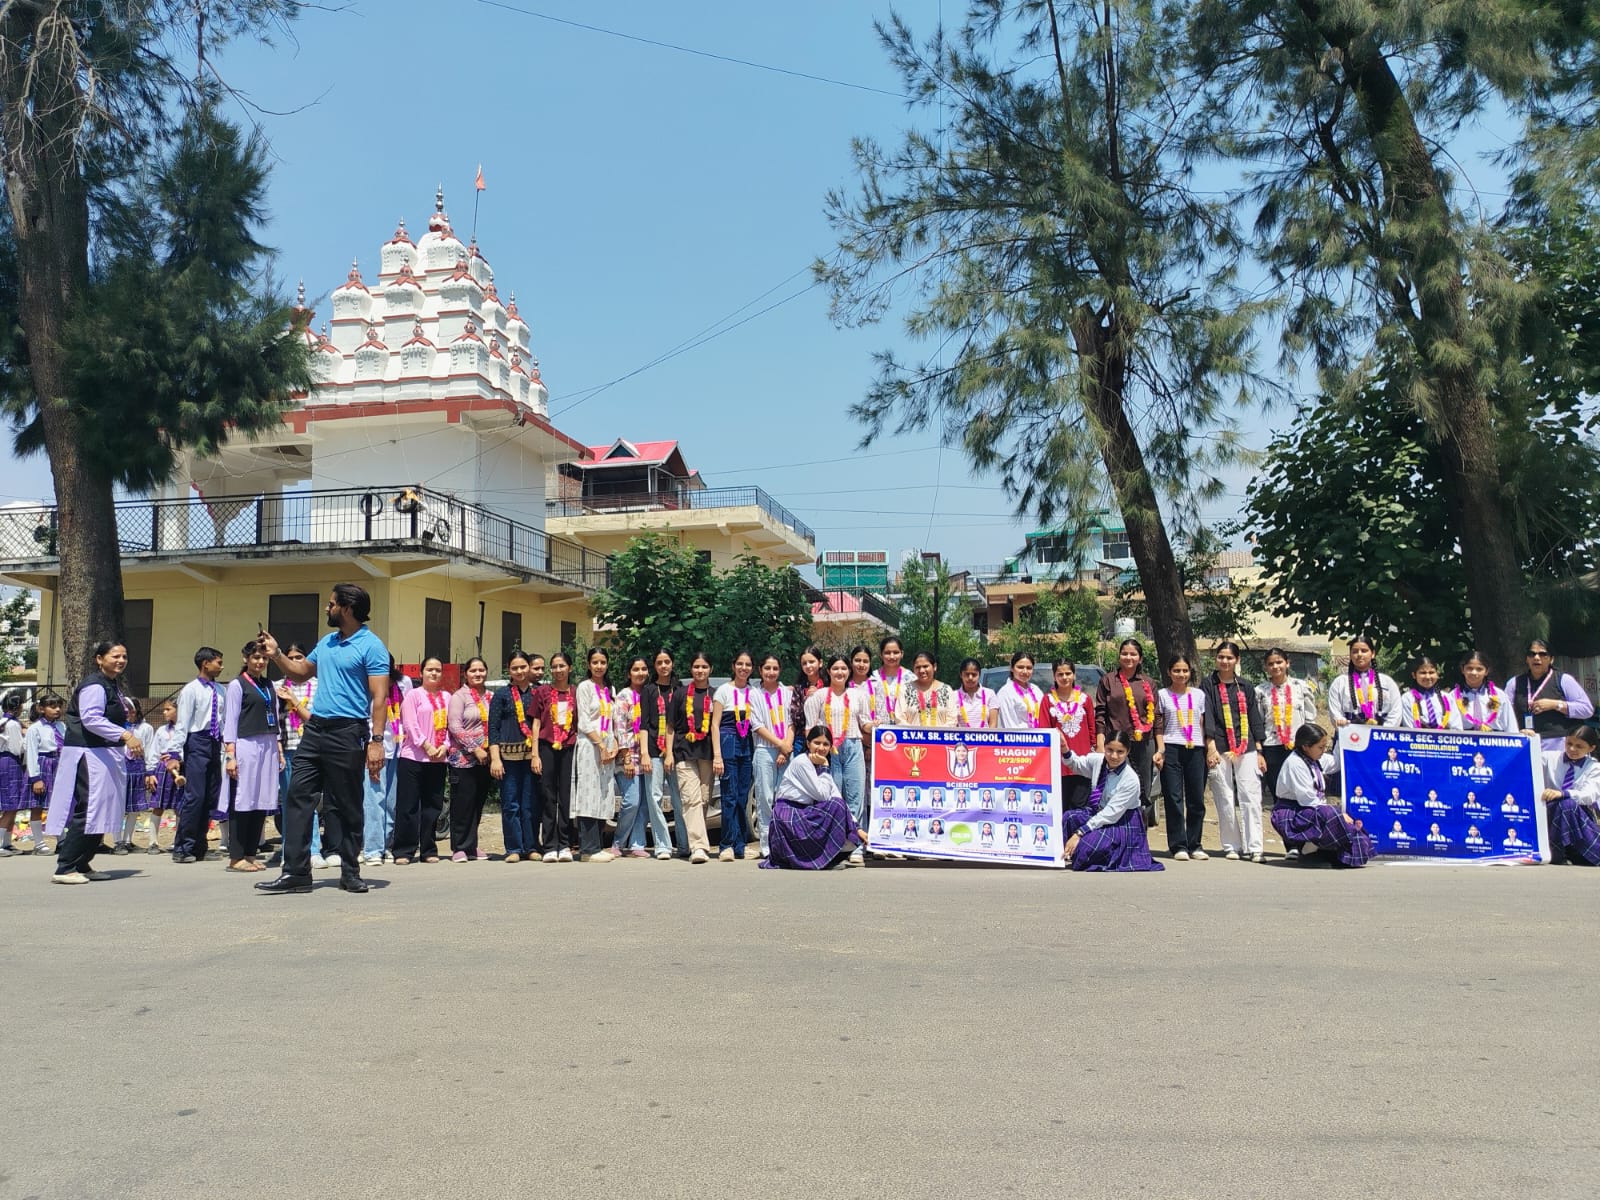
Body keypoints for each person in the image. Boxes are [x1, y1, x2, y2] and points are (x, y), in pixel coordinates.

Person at [256, 583, 392, 895]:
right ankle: (296, 872)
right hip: (315, 730)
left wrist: (375, 741)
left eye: (331, 604)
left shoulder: (371, 646)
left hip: (348, 732)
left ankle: (350, 871)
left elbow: (380, 697)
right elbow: (301, 672)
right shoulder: (327, 642)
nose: (326, 608)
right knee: (297, 797)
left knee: (345, 805)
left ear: (346, 608)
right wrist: (276, 653)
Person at [47, 641, 141, 884]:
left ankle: (82, 862)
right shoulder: (94, 685)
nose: (121, 660)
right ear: (99, 659)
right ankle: (65, 867)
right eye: (115, 656)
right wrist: (125, 735)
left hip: (104, 753)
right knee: (88, 808)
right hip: (88, 753)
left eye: (124, 656)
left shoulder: (110, 685)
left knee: (102, 808)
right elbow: (91, 719)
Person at [759, 725, 865, 870]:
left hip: (804, 813)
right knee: (834, 806)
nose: (821, 748)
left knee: (837, 804)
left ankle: (826, 857)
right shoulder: (802, 762)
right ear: (808, 744)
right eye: (817, 743)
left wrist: (857, 829)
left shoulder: (819, 765)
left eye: (826, 744)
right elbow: (821, 795)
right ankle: (817, 858)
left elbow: (835, 795)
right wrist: (825, 767)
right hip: (788, 816)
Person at [1271, 722, 1375, 868]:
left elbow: (1336, 762)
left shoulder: (1315, 759)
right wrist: (1339, 814)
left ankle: (1330, 852)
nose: (1323, 751)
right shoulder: (1295, 763)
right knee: (1332, 814)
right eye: (1320, 747)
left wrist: (1341, 735)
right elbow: (1308, 799)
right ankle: (1308, 849)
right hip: (1293, 811)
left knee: (1339, 815)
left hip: (1311, 808)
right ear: (1306, 746)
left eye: (1324, 747)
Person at [1059, 729, 1163, 872]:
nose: (1114, 756)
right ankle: (1061, 854)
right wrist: (1065, 749)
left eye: (1120, 752)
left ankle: (1082, 849)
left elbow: (1110, 814)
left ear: (1127, 752)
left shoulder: (1130, 780)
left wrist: (1079, 833)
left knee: (1086, 849)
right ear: (1105, 747)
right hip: (1097, 814)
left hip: (1121, 821)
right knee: (1069, 817)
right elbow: (1076, 764)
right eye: (1110, 750)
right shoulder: (1098, 761)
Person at [804, 654, 870, 866]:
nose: (840, 672)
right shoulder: (819, 696)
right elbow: (810, 728)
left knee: (855, 795)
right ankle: (834, 844)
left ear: (849, 671)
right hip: (828, 750)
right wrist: (814, 753)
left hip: (852, 745)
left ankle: (856, 846)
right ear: (829, 672)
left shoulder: (858, 695)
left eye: (843, 668)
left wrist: (876, 726)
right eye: (835, 669)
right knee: (832, 797)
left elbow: (865, 723)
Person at [221, 640, 280, 872]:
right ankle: (236, 857)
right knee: (243, 799)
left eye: (264, 658)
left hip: (268, 743)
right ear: (246, 659)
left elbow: (274, 714)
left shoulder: (268, 684)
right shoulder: (237, 685)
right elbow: (231, 720)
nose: (260, 662)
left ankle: (250, 852)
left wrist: (279, 748)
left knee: (261, 799)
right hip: (246, 744)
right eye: (256, 657)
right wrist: (230, 755)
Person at [1205, 641, 1266, 862]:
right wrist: (1210, 746)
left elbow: (1254, 718)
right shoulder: (1208, 685)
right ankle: (1231, 845)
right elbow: (1208, 716)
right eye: (1221, 657)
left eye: (1229, 657)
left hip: (1246, 745)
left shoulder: (1246, 686)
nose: (1225, 661)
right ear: (1216, 659)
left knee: (1250, 795)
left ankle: (1255, 846)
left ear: (1236, 660)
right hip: (1219, 746)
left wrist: (1259, 749)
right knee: (1225, 796)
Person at [172, 646, 227, 864]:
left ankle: (200, 846)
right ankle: (183, 847)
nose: (221, 666)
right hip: (197, 741)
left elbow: (223, 720)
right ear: (206, 663)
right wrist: (175, 751)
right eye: (218, 662)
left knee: (209, 796)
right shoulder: (191, 690)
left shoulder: (220, 690)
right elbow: (183, 722)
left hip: (215, 743)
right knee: (195, 796)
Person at [1095, 638, 1158, 827]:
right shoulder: (1108, 680)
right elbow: (1100, 713)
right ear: (1119, 656)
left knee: (1143, 790)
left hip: (1143, 743)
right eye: (1124, 653)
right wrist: (1100, 745)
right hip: (1116, 744)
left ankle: (1139, 837)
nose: (1128, 657)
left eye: (1133, 654)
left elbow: (1157, 716)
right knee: (1115, 788)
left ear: (1140, 658)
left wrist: (1159, 749)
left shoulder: (1148, 682)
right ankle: (1116, 834)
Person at [393, 657, 450, 865]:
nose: (434, 673)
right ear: (421, 673)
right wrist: (426, 746)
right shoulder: (413, 695)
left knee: (432, 806)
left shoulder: (447, 697)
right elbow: (410, 724)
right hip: (413, 757)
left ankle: (428, 848)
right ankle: (403, 850)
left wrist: (445, 746)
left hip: (438, 759)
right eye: (429, 670)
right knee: (408, 806)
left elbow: (450, 725)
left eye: (437, 670)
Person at [1155, 654, 1209, 860]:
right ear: (1169, 672)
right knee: (1174, 797)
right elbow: (1158, 725)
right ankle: (1178, 845)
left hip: (1195, 748)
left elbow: (1203, 723)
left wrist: (1207, 748)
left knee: (1196, 798)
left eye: (1184, 670)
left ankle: (1195, 844)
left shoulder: (1198, 695)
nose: (1181, 674)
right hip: (1172, 748)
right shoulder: (1162, 695)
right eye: (1176, 670)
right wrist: (1160, 750)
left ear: (1190, 672)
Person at [487, 650, 539, 863]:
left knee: (530, 804)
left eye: (523, 667)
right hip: (507, 757)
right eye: (514, 668)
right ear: (508, 670)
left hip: (532, 756)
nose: (519, 671)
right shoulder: (502, 695)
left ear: (529, 667)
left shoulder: (539, 693)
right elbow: (493, 727)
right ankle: (513, 848)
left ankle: (531, 847)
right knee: (511, 804)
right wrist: (495, 758)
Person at [272, 645, 320, 868]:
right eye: (290, 658)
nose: (294, 660)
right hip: (288, 748)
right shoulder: (277, 687)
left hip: (313, 748)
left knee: (308, 800)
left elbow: (315, 719)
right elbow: (273, 721)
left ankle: (314, 849)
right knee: (290, 802)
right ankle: (288, 851)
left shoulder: (318, 685)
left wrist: (293, 699)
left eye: (299, 657)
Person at [1505, 639, 1595, 752]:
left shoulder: (1563, 680)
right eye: (1532, 654)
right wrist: (1516, 732)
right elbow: (1504, 713)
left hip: (1557, 745)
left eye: (1542, 654)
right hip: (1525, 743)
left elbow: (1587, 710)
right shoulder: (1514, 683)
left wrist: (1556, 705)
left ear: (1551, 659)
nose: (1537, 658)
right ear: (1527, 659)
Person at [572, 647, 619, 863]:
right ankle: (587, 849)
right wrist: (600, 745)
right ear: (588, 665)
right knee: (588, 794)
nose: (599, 666)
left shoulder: (610, 688)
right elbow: (584, 721)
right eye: (595, 662)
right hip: (590, 744)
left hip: (607, 744)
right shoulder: (584, 687)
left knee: (603, 793)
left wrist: (615, 745)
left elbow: (614, 719)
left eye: (602, 662)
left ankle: (599, 845)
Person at [445, 657, 494, 863]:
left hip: (486, 758)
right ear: (466, 674)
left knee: (477, 802)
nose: (477, 674)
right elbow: (455, 727)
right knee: (462, 803)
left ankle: (472, 845)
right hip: (463, 758)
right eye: (473, 671)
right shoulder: (460, 696)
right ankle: (459, 847)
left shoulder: (491, 696)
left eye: (481, 670)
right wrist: (474, 749)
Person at [361, 658, 409, 866]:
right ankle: (372, 849)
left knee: (391, 801)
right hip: (373, 749)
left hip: (397, 748)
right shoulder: (365, 685)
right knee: (373, 800)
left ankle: (386, 844)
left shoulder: (403, 683)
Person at [1256, 647, 1318, 804]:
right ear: (1265, 667)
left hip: (1299, 746)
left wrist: (1310, 744)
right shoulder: (1260, 691)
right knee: (1278, 790)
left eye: (1279, 662)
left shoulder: (1301, 687)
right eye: (1271, 664)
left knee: (1301, 788)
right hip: (1272, 746)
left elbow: (1310, 718)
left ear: (1287, 663)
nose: (1275, 667)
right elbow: (1258, 721)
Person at [711, 650, 757, 861]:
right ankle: (726, 845)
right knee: (728, 797)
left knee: (742, 797)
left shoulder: (753, 692)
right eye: (740, 664)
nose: (743, 668)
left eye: (747, 665)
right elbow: (715, 724)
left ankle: (740, 845)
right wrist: (717, 755)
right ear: (733, 666)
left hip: (746, 745)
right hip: (728, 742)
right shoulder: (723, 691)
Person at [639, 649, 685, 860]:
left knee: (679, 799)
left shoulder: (680, 689)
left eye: (667, 662)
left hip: (676, 753)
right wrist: (645, 754)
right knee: (654, 798)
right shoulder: (648, 690)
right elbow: (644, 724)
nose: (664, 666)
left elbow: (680, 724)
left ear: (672, 664)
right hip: (654, 752)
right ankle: (663, 845)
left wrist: (672, 753)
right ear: (654, 666)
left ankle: (684, 845)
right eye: (660, 662)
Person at [532, 652, 577, 863]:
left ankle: (565, 844)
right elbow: (536, 724)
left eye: (562, 666)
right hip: (547, 748)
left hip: (568, 748)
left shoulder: (576, 693)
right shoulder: (542, 692)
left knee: (566, 797)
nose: (558, 670)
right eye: (554, 666)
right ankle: (549, 845)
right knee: (548, 796)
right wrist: (534, 754)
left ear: (569, 668)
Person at [673, 651, 717, 864]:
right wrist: (668, 755)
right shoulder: (680, 694)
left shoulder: (715, 694)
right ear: (691, 669)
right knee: (691, 799)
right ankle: (698, 847)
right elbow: (671, 726)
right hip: (684, 752)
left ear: (711, 670)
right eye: (696, 666)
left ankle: (699, 840)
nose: (700, 671)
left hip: (707, 754)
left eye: (704, 667)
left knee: (704, 798)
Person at [751, 653, 794, 860]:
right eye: (767, 668)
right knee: (765, 798)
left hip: (786, 750)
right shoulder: (754, 694)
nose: (771, 672)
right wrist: (780, 746)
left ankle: (784, 842)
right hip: (764, 750)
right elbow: (756, 725)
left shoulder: (787, 692)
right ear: (760, 670)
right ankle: (767, 845)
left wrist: (786, 747)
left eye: (775, 668)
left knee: (784, 798)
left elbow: (792, 721)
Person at [610, 657, 653, 858]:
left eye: (644, 669)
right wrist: (626, 757)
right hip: (627, 756)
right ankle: (618, 842)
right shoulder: (624, 696)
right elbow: (619, 727)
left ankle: (637, 843)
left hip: (646, 754)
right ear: (629, 673)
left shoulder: (649, 694)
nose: (640, 673)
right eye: (636, 669)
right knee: (632, 800)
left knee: (644, 802)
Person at [10, 693, 63, 857]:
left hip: (58, 765)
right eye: (52, 706)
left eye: (59, 706)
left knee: (58, 806)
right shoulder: (35, 729)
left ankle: (62, 840)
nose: (57, 710)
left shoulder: (62, 727)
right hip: (42, 765)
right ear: (41, 709)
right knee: (37, 806)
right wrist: (36, 778)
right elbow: (32, 754)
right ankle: (39, 843)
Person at [1540, 724, 1600, 865]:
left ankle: (1572, 850)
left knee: (1567, 803)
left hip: (1578, 814)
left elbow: (1589, 795)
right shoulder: (1548, 757)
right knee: (1564, 804)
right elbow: (1526, 759)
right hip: (1549, 810)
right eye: (1569, 743)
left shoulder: (1594, 768)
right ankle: (1557, 851)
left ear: (1591, 748)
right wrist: (1527, 738)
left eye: (1579, 746)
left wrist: (1563, 793)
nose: (1572, 749)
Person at [1041, 662, 1095, 811]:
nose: (1064, 677)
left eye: (1068, 673)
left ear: (1074, 675)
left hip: (1083, 763)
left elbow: (1092, 730)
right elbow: (1044, 731)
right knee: (1062, 808)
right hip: (1059, 765)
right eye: (1060, 674)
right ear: (1054, 676)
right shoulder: (1047, 701)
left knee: (1081, 807)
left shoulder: (1085, 699)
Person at [1327, 636, 1401, 727]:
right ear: (1350, 655)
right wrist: (1343, 724)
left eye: (1364, 651)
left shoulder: (1387, 682)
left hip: (1381, 737)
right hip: (1350, 736)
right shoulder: (1339, 683)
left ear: (1373, 653)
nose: (1359, 654)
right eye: (1355, 651)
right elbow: (1335, 714)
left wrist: (1382, 733)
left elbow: (1396, 712)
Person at [142, 699, 185, 856]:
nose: (164, 712)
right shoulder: (161, 730)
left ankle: (178, 841)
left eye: (168, 709)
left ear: (178, 710)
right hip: (162, 770)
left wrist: (179, 757)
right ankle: (153, 842)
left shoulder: (186, 729)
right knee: (158, 806)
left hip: (180, 770)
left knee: (179, 807)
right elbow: (154, 752)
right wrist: (150, 773)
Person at [1451, 650, 1516, 733]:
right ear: (1462, 669)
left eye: (1479, 669)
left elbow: (1510, 725)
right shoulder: (1453, 696)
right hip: (1465, 740)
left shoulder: (1499, 695)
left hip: (1495, 741)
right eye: (1469, 668)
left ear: (1487, 671)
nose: (1474, 673)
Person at [894, 652, 955, 727]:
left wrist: (935, 734)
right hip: (912, 737)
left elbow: (952, 720)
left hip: (940, 737)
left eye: (925, 666)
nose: (922, 670)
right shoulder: (905, 690)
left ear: (934, 666)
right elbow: (899, 718)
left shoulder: (946, 690)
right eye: (918, 667)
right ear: (913, 669)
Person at [1398, 655, 1454, 729]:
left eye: (1431, 672)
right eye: (1423, 673)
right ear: (1414, 675)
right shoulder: (1407, 698)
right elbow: (1409, 728)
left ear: (1437, 674)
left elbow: (1456, 727)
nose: (1427, 677)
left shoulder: (1446, 698)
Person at [0, 693, 25, 857]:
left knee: (12, 804)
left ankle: (7, 842)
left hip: (4, 761)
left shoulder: (4, 721)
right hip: (11, 762)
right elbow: (17, 748)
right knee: (10, 804)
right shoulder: (13, 725)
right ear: (17, 707)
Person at [953, 658, 998, 730]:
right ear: (961, 675)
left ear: (979, 675)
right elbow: (952, 724)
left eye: (974, 674)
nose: (970, 678)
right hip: (961, 740)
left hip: (986, 739)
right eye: (967, 674)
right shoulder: (953, 696)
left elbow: (993, 723)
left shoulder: (989, 694)